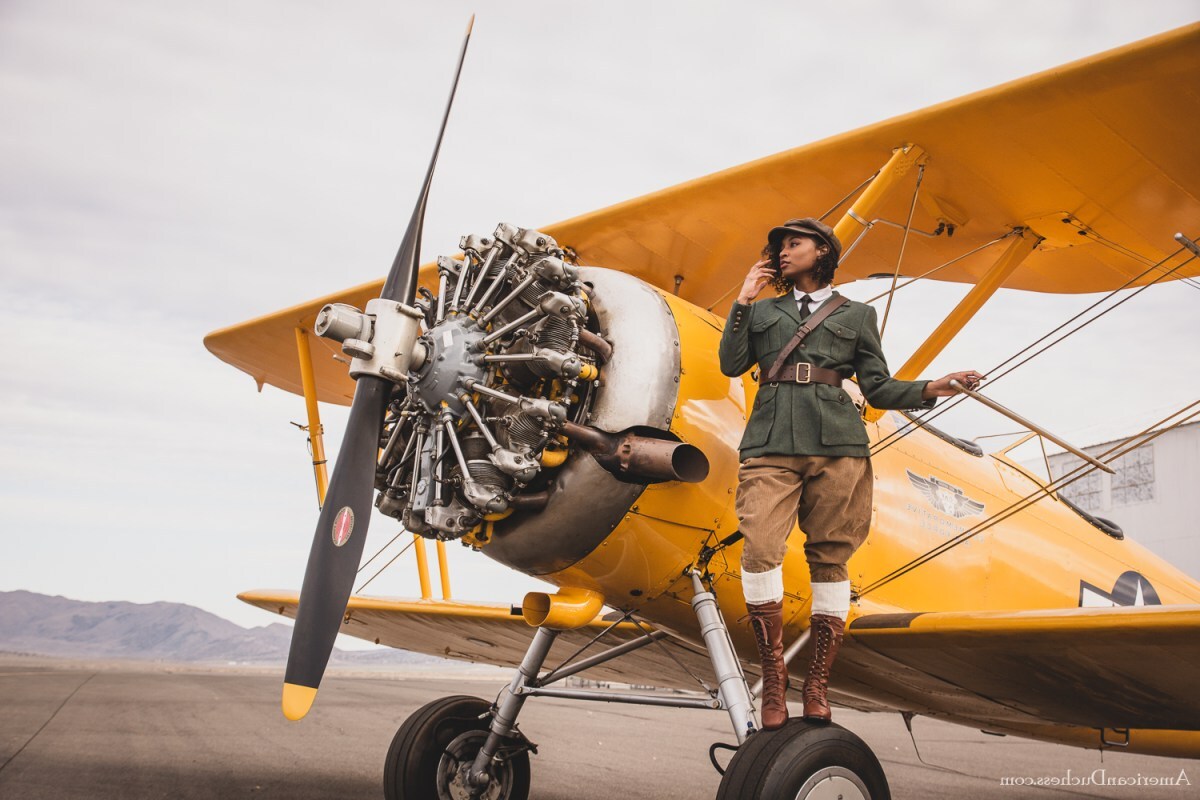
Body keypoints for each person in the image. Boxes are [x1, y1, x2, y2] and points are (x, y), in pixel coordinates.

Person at [718, 217, 984, 730]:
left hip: (839, 444)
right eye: (779, 246)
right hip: (770, 442)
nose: (783, 251)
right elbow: (732, 364)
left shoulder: (858, 315)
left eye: (794, 243)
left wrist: (935, 386)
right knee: (759, 551)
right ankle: (775, 677)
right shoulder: (762, 310)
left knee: (831, 557)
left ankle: (816, 682)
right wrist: (744, 299)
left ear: (823, 251)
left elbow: (879, 388)